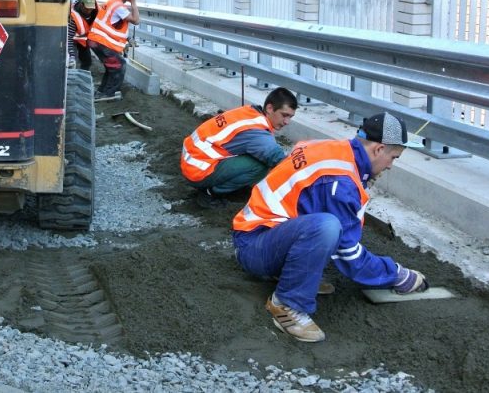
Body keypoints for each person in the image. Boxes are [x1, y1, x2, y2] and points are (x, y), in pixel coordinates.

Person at [231, 112, 429, 343]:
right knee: (327, 227)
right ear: (378, 149)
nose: (391, 166)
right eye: (393, 157)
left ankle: (295, 277)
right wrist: (396, 275)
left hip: (258, 236)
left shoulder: (333, 149)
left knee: (325, 225)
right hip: (255, 248)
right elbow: (347, 254)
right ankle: (287, 304)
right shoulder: (340, 182)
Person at [181, 87, 298, 208]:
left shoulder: (249, 111)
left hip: (192, 159)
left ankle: (227, 185)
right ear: (269, 108)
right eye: (284, 115)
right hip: (197, 170)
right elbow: (278, 159)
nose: (287, 122)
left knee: (256, 157)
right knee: (261, 166)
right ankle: (209, 193)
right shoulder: (257, 133)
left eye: (290, 117)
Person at [86, 0, 139, 101]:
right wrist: (134, 3)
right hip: (100, 41)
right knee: (119, 65)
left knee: (112, 66)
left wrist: (127, 38)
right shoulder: (118, 6)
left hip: (96, 40)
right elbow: (136, 20)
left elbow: (115, 25)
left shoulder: (113, 2)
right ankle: (108, 93)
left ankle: (102, 91)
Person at [68, 0, 97, 71]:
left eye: (91, 9)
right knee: (73, 62)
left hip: (83, 40)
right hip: (73, 41)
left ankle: (83, 76)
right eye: (87, 8)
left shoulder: (96, 11)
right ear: (81, 5)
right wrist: (71, 55)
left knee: (87, 62)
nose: (89, 11)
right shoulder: (73, 16)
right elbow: (69, 39)